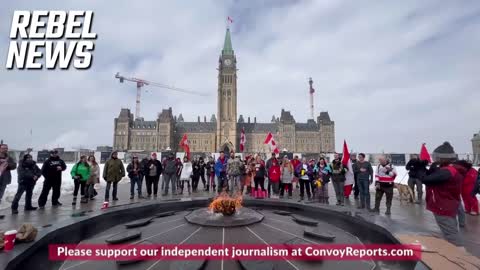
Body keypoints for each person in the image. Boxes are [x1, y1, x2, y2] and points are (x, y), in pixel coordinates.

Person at [422, 160, 466, 248]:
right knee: (450, 231)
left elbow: (427, 179)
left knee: (451, 234)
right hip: (446, 204)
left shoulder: (448, 171)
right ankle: (454, 252)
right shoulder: (450, 170)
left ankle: (460, 257)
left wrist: (420, 171)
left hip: (443, 206)